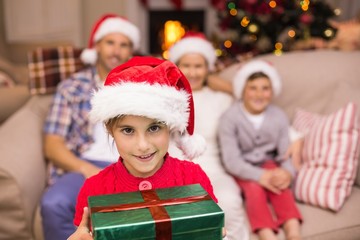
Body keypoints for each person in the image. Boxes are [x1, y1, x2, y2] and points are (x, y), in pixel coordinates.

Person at [68, 56, 226, 239]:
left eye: (154, 128)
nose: (142, 145)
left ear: (170, 126)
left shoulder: (193, 178)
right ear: (110, 130)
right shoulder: (94, 189)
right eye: (128, 130)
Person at [41, 13, 140, 240]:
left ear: (131, 52)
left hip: (131, 164)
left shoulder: (140, 87)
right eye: (110, 42)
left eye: (124, 45)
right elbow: (52, 144)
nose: (116, 50)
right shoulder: (72, 87)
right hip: (86, 164)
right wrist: (86, 170)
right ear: (96, 46)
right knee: (53, 204)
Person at [167, 32, 250, 240]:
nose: (193, 72)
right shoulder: (166, 98)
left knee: (229, 201)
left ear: (208, 70)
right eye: (186, 65)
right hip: (172, 172)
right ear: (177, 67)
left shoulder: (222, 99)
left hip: (214, 170)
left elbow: (253, 110)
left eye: (199, 66)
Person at [218, 60, 302, 240]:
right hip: (243, 167)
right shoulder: (229, 118)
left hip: (269, 163)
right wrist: (259, 176)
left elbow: (285, 152)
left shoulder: (278, 116)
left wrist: (287, 172)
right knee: (254, 189)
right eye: (253, 88)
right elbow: (232, 160)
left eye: (265, 88)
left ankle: (292, 229)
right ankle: (266, 232)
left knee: (281, 185)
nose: (259, 94)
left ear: (272, 92)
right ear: (243, 91)